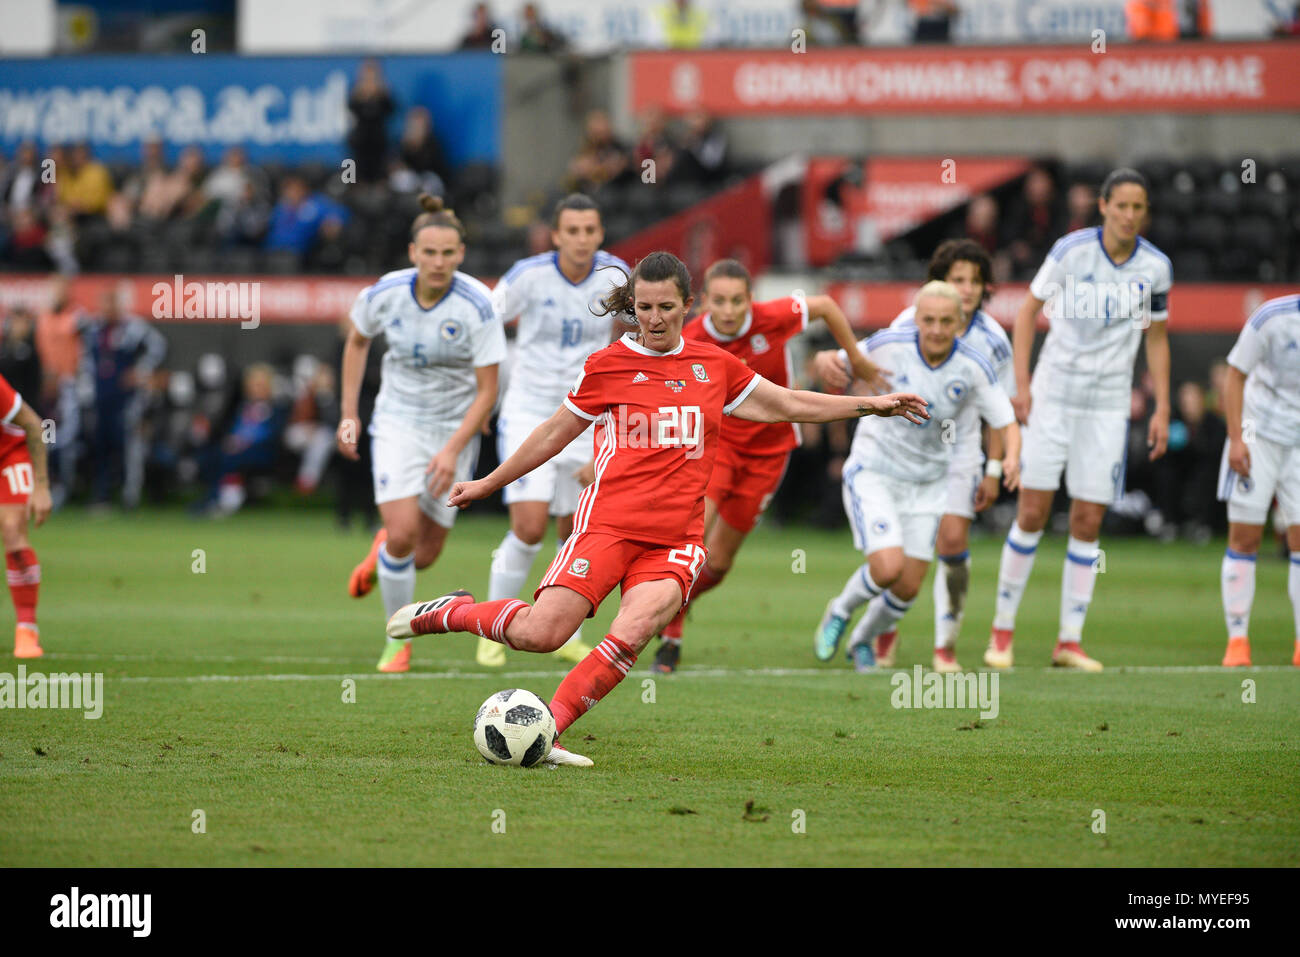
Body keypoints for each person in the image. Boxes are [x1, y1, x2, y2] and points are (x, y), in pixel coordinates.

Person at [383, 251, 928, 766]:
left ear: (687, 305)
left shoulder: (714, 365)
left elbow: (786, 403)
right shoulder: (608, 364)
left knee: (639, 624)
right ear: (632, 307)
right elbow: (554, 432)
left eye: (666, 307)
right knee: (541, 635)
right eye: (644, 307)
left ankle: (549, 728)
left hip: (675, 540)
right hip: (607, 528)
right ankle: (451, 611)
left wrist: (870, 405)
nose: (655, 318)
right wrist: (488, 483)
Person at [647, 258, 886, 673]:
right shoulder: (691, 336)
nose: (727, 310)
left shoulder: (772, 318)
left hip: (770, 452)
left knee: (718, 564)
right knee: (693, 541)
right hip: (715, 446)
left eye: (736, 301)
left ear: (750, 301)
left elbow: (828, 306)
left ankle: (672, 610)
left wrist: (857, 361)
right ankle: (668, 634)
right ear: (703, 302)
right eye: (719, 301)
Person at [985, 168, 1172, 672]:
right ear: (1105, 206)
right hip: (1055, 395)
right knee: (1032, 512)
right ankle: (1002, 633)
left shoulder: (1156, 267)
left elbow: (1155, 336)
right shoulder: (1071, 251)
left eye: (1140, 207)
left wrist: (1163, 406)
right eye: (1123, 205)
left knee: (1089, 521)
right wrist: (1022, 386)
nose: (1131, 215)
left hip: (1109, 404)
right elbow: (1026, 312)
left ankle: (1069, 640)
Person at [814, 238, 1015, 670]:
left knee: (911, 581)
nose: (938, 326)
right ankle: (842, 612)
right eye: (955, 280)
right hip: (882, 463)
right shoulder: (903, 331)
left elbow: (1003, 415)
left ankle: (870, 641)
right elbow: (853, 361)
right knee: (888, 568)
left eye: (973, 282)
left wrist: (999, 465)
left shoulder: (988, 350)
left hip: (943, 466)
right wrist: (831, 360)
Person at [339, 194, 506, 673]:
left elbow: (487, 391)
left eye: (448, 253)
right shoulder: (384, 293)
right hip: (397, 422)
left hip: (457, 426)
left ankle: (380, 554)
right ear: (412, 252)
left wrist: (453, 449)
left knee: (425, 554)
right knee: (405, 533)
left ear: (461, 254)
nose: (438, 262)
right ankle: (397, 640)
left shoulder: (477, 305)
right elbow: (356, 340)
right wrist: (350, 412)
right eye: (429, 252)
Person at [475, 193, 629, 668]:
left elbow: (639, 332)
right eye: (572, 231)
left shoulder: (616, 277)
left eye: (590, 230)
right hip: (530, 413)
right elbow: (484, 318)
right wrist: (484, 390)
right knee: (528, 526)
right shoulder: (529, 274)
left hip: (587, 415)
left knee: (575, 530)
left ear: (599, 233)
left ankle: (567, 632)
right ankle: (492, 627)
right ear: (556, 235)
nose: (582, 239)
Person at [1216, 294, 1300, 667]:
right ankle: (1237, 641)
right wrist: (1237, 438)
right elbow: (1235, 375)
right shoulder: (1271, 317)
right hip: (1258, 434)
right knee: (1245, 537)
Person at [0, 370, 53, 658]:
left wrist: (41, 487)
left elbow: (34, 424)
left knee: (12, 529)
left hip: (9, 455)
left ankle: (26, 628)